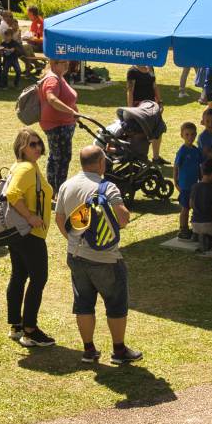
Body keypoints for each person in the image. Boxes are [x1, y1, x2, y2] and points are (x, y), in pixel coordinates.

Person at [54, 145, 139, 365]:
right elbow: (122, 219)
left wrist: (74, 242)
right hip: (106, 258)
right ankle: (119, 351)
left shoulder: (66, 185)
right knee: (116, 303)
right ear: (101, 163)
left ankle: (89, 350)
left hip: (75, 255)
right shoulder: (107, 187)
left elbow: (59, 220)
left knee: (83, 304)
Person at [4, 128, 56, 349]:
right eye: (32, 144)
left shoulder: (22, 166)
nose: (38, 148)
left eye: (39, 143)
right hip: (29, 234)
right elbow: (13, 194)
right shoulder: (25, 168)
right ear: (21, 147)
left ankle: (16, 325)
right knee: (39, 278)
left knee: (19, 276)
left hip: (17, 233)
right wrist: (31, 216)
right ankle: (30, 330)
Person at [37, 58, 79, 193]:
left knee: (55, 158)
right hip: (58, 126)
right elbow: (52, 99)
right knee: (61, 159)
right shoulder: (52, 79)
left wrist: (74, 111)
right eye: (64, 62)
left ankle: (53, 190)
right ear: (54, 63)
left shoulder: (59, 77)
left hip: (62, 125)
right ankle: (59, 191)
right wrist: (71, 111)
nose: (68, 64)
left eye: (68, 61)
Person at [125, 63, 164, 161]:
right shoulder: (132, 71)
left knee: (158, 129)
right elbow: (130, 91)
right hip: (139, 107)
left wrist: (160, 102)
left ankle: (156, 158)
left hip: (152, 106)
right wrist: (131, 110)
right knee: (141, 132)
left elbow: (154, 86)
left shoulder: (151, 67)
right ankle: (139, 157)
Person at [174, 121, 204, 240]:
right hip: (185, 185)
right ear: (182, 135)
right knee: (185, 207)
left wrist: (201, 180)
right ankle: (183, 228)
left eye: (192, 134)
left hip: (195, 185)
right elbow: (176, 167)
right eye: (187, 135)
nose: (190, 137)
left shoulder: (196, 151)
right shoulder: (182, 151)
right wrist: (176, 182)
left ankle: (194, 228)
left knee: (194, 206)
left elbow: (200, 166)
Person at [190, 158, 212, 253]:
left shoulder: (194, 186)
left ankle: (198, 234)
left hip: (195, 224)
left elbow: (190, 204)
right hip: (209, 224)